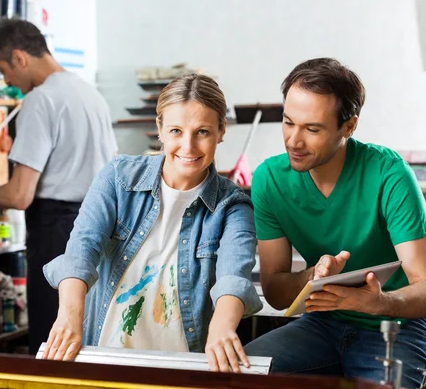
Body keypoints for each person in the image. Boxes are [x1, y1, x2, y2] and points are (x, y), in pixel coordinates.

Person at [41, 74, 262, 372]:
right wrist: (68, 318)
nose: (188, 146)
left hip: (183, 368)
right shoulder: (118, 178)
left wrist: (222, 328)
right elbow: (82, 250)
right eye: (175, 131)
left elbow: (233, 277)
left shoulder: (233, 205)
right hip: (105, 358)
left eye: (202, 132)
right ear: (159, 129)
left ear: (221, 130)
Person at [243, 58, 426, 388]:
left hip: (391, 327)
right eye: (288, 122)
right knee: (233, 376)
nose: (294, 140)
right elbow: (277, 294)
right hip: (320, 326)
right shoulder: (268, 180)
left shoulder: (389, 174)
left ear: (349, 127)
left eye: (312, 129)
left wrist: (380, 302)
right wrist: (313, 276)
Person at [0, 19, 118, 355]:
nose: (6, 80)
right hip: (101, 226)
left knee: (52, 340)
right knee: (87, 336)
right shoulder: (88, 93)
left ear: (19, 58)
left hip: (58, 234)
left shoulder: (40, 101)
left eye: (2, 68)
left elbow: (18, 196)